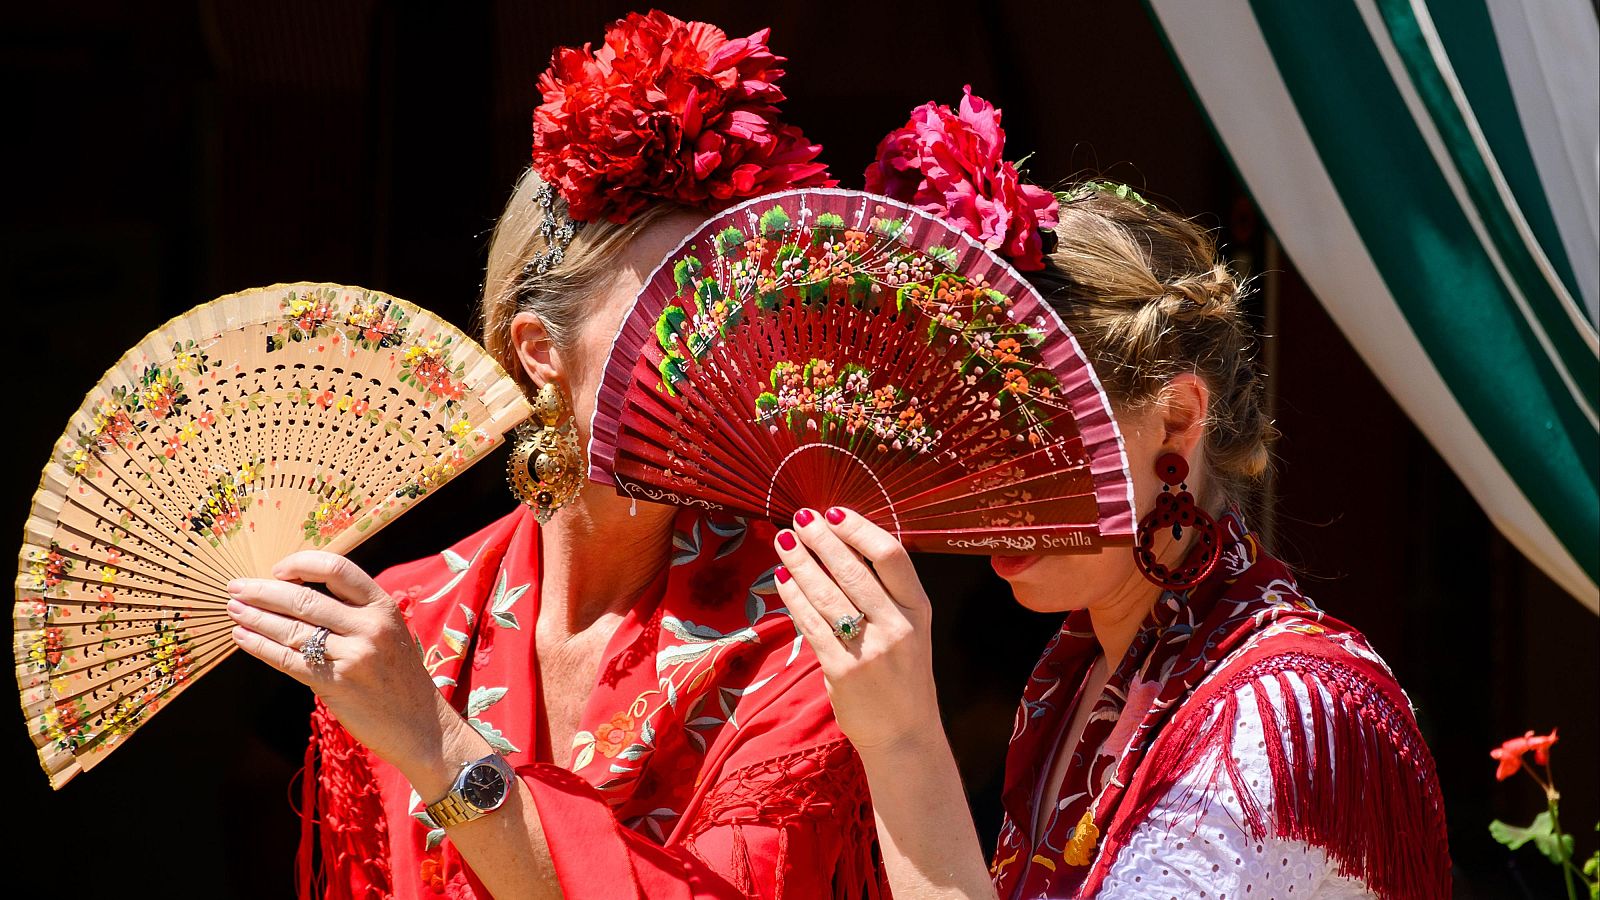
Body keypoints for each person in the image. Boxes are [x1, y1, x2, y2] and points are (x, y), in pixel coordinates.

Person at [224, 12, 886, 899]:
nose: (717, 353)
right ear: (541, 351)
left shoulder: (811, 630)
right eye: (669, 313)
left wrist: (431, 738)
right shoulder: (405, 622)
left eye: (738, 310)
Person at [770, 89, 1452, 899]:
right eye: (959, 446)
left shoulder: (1276, 716)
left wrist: (905, 741)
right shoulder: (1083, 672)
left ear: (1175, 419)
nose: (982, 494)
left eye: (1028, 441)